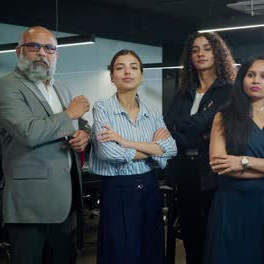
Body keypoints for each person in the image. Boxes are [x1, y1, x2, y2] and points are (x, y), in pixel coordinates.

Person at [0, 26, 90, 264]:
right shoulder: (5, 86)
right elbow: (29, 132)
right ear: (19, 52)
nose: (42, 53)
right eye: (34, 46)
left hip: (66, 200)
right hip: (29, 206)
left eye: (49, 48)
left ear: (56, 54)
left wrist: (84, 135)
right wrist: (69, 114)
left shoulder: (61, 89)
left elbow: (81, 123)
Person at [205, 56, 264, 264]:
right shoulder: (223, 117)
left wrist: (243, 162)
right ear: (242, 80)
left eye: (263, 76)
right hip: (232, 205)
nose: (256, 80)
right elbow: (220, 165)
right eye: (250, 75)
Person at [90, 49, 177, 264]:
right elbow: (108, 152)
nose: (127, 72)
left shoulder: (152, 112)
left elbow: (171, 149)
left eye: (134, 67)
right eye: (120, 68)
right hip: (118, 188)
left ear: (142, 75)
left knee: (150, 247)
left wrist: (125, 142)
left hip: (149, 185)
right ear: (112, 77)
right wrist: (152, 149)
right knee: (120, 250)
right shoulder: (103, 108)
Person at [164, 32, 236, 263]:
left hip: (213, 174)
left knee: (214, 239)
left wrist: (184, 129)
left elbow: (208, 123)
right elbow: (168, 126)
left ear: (217, 53)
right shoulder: (184, 93)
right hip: (184, 173)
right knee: (191, 240)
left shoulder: (228, 91)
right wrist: (196, 133)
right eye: (195, 50)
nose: (201, 54)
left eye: (206, 48)